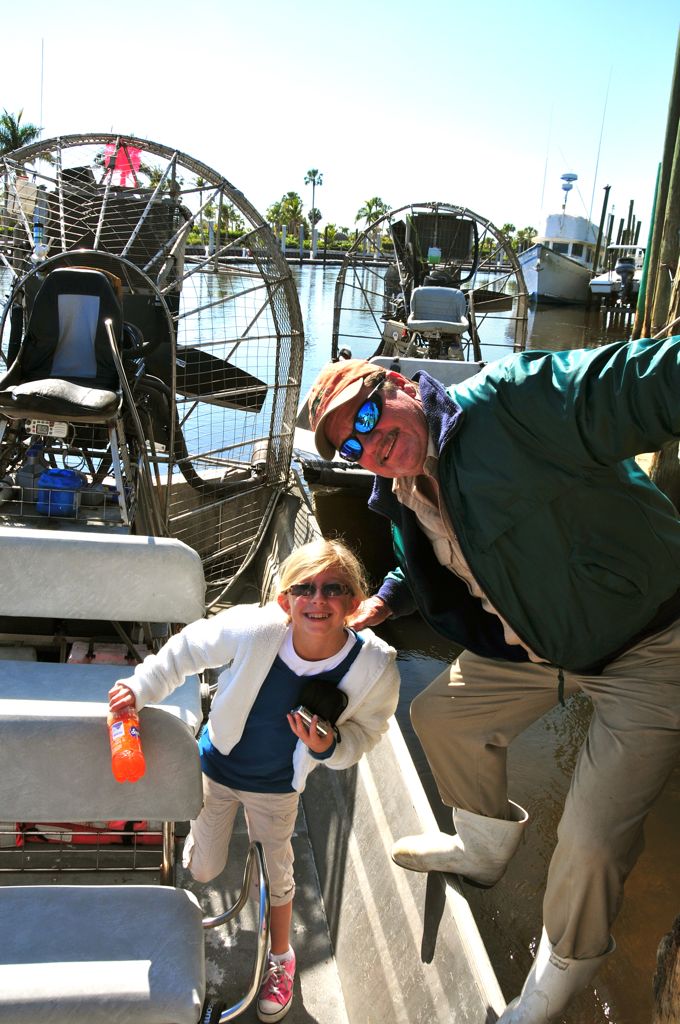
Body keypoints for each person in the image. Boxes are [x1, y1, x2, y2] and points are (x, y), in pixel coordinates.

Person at [307, 342, 680, 1023]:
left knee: (591, 841)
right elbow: (440, 550)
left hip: (648, 645)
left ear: (398, 383)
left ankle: (568, 963)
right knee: (443, 718)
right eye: (350, 446)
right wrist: (385, 602)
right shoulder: (403, 485)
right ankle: (482, 848)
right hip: (544, 644)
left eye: (364, 416)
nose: (369, 444)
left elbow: (637, 384)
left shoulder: (514, 402)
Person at [108, 538, 399, 1023]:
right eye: (303, 588)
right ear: (285, 600)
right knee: (203, 870)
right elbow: (185, 650)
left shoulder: (374, 668)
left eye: (334, 588)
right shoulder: (256, 628)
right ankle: (203, 847)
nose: (317, 599)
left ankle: (281, 959)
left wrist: (330, 747)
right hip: (217, 768)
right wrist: (139, 688)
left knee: (278, 875)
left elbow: (367, 734)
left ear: (354, 601)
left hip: (279, 787)